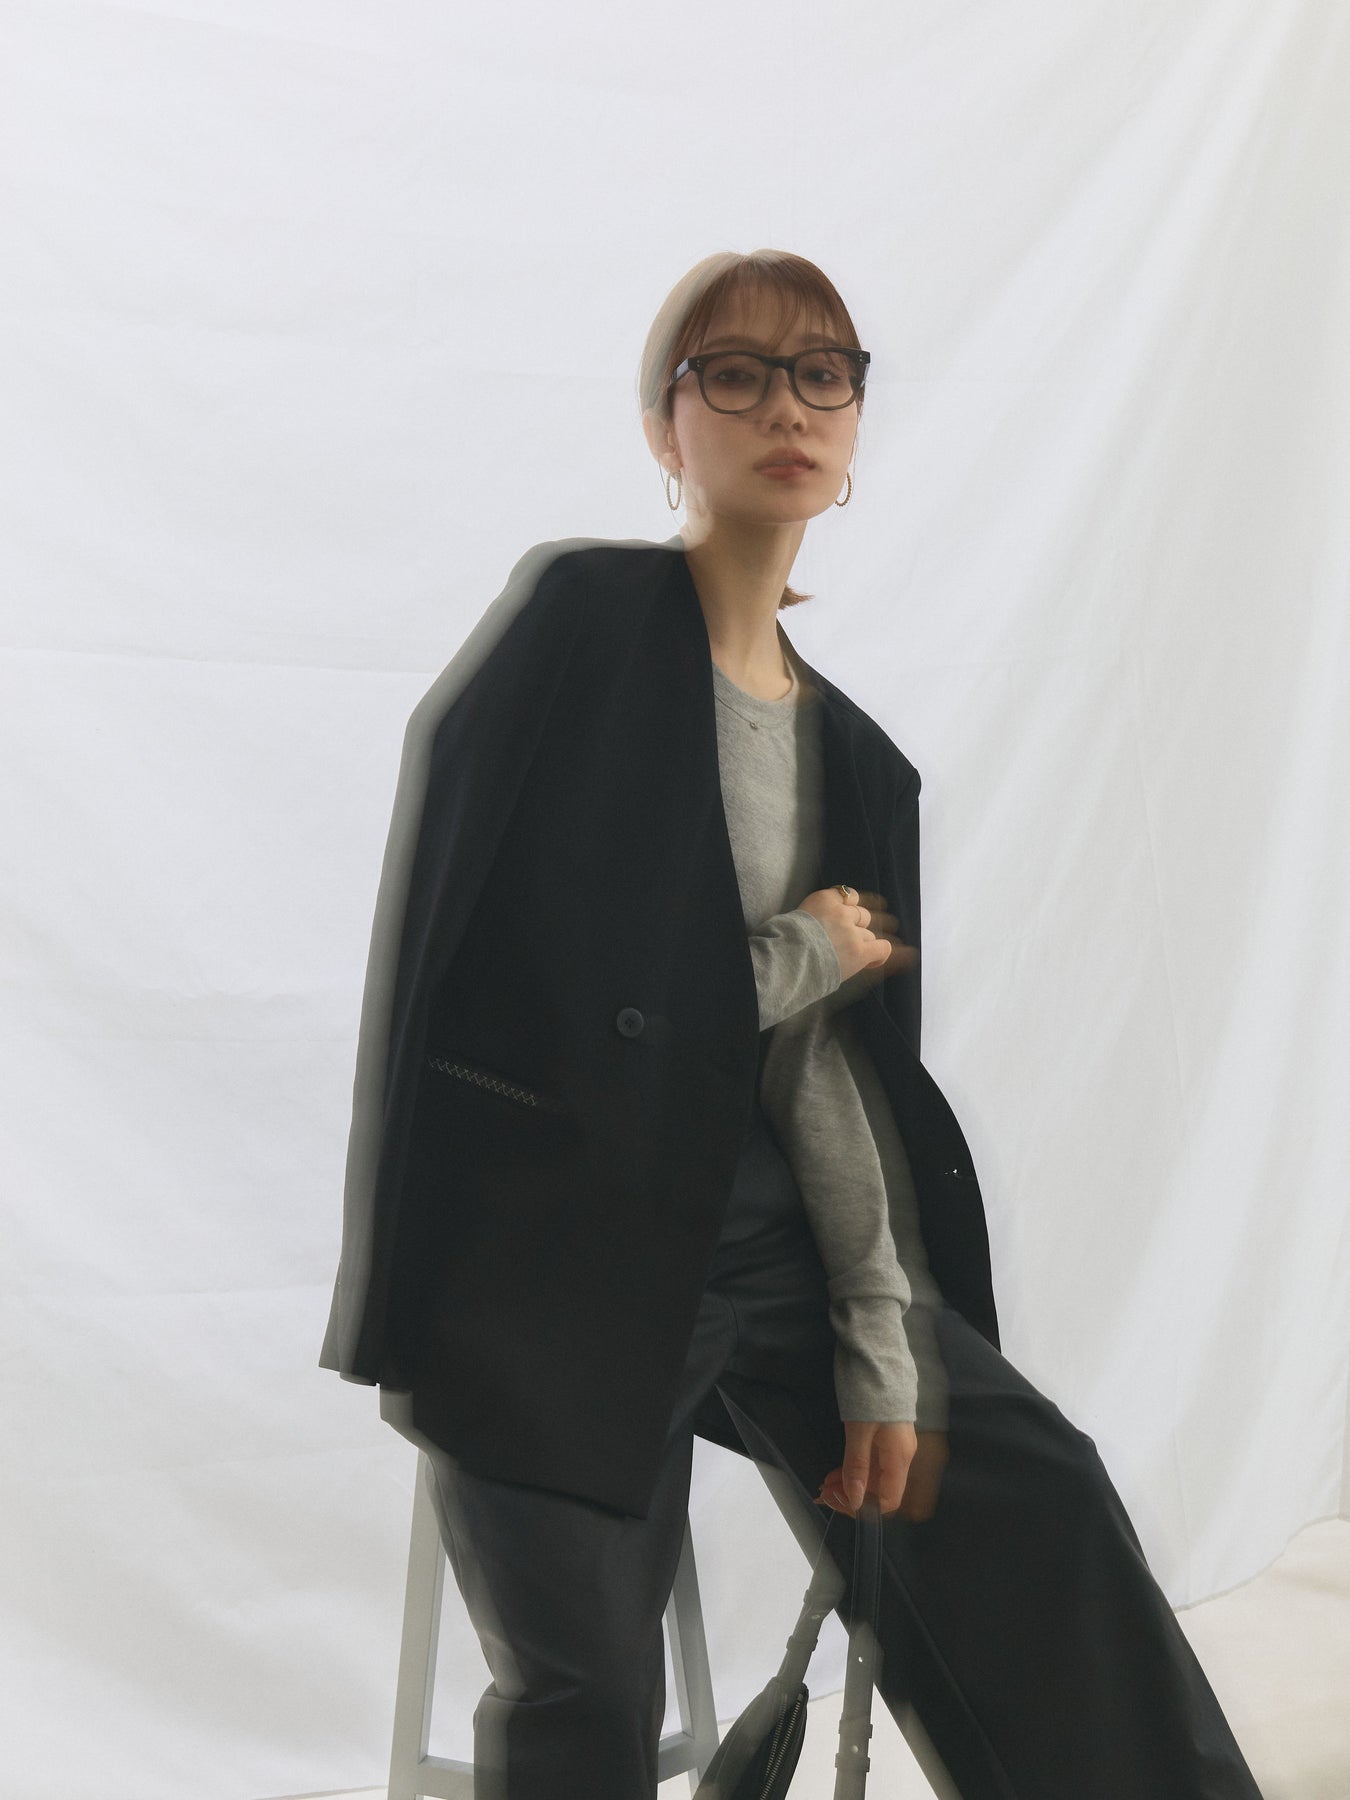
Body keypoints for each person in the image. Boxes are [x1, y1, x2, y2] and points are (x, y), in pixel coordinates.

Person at [321, 249, 1265, 1798]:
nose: (786, 407)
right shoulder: (582, 623)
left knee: (1038, 1507)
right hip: (549, 1249)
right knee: (586, 1692)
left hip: (768, 1244)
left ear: (854, 424)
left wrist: (879, 1341)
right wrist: (794, 953)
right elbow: (528, 982)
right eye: (736, 373)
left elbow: (831, 1087)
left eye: (823, 373)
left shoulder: (857, 764)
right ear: (663, 427)